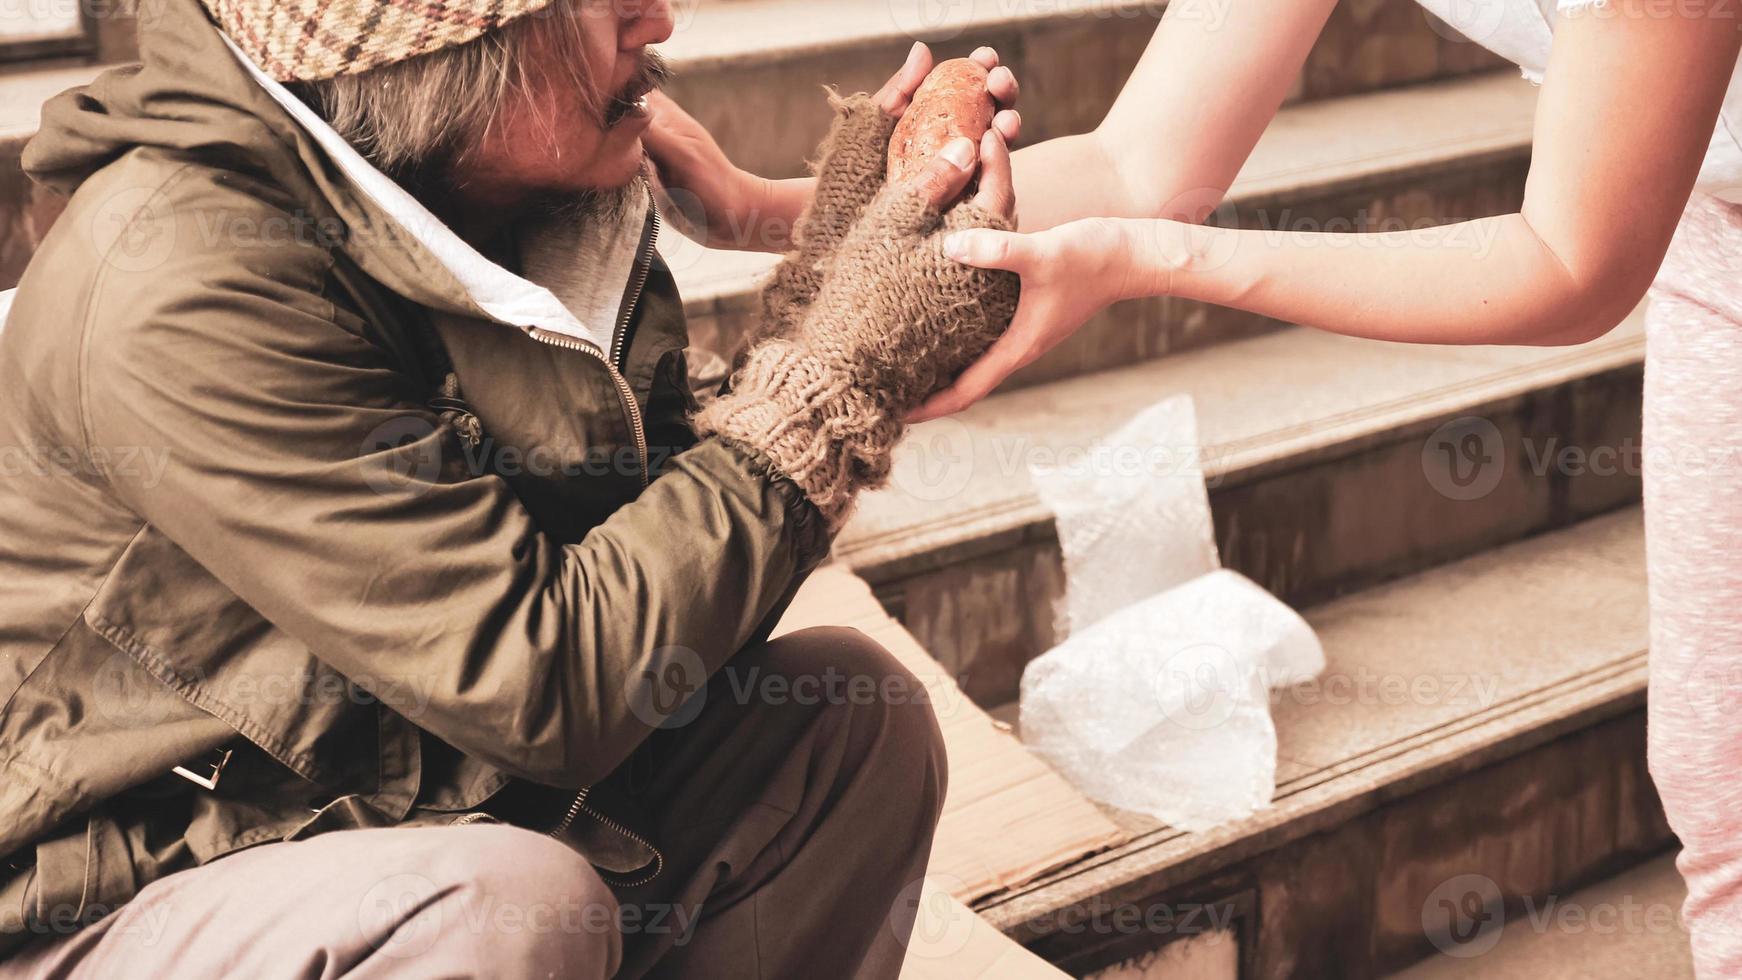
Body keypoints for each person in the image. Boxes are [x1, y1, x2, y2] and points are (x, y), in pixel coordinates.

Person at [647, 0, 1742, 974]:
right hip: (1710, 226)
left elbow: (1569, 263)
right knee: (1716, 783)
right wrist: (764, 210)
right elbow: (1140, 162)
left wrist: (1150, 261)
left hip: (1645, 230)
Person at [0, 0, 1020, 974]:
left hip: (392, 794)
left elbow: (660, 622)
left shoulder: (518, 188)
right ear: (435, 52)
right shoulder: (188, 280)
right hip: (121, 887)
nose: (656, 21)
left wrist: (825, 285)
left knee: (847, 719)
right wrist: (835, 371)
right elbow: (555, 684)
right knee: (502, 908)